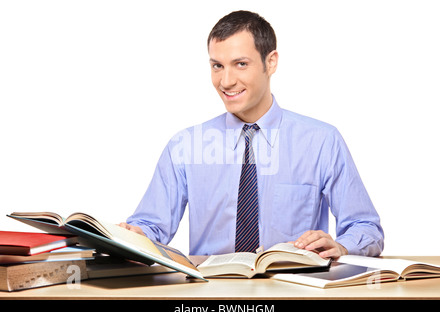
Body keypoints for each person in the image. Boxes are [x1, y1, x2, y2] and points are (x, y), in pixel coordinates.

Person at [119, 10, 384, 258]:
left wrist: (341, 246)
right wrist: (134, 236)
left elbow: (366, 227)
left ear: (271, 62)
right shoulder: (185, 146)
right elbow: (151, 226)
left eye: (240, 64)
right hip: (209, 293)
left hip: (291, 290)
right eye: (217, 66)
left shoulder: (321, 141)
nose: (226, 81)